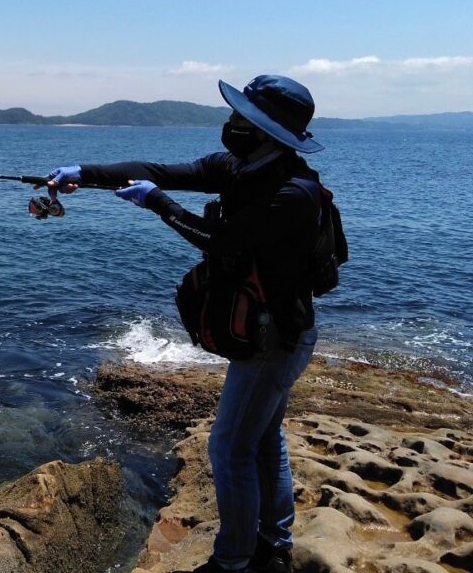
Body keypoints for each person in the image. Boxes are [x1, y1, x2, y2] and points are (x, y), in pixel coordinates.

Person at [45, 75, 328, 573]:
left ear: (268, 132)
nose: (232, 124)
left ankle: (234, 560)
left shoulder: (293, 192)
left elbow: (218, 240)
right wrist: (84, 173)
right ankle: (273, 542)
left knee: (229, 447)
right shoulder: (240, 167)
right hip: (269, 332)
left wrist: (155, 202)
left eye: (244, 119)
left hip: (275, 339)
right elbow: (157, 170)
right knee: (262, 438)